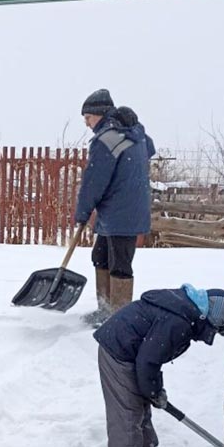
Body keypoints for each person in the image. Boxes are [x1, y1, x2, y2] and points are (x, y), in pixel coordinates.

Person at [93, 284, 224, 447]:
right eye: (216, 329)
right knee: (128, 412)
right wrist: (153, 391)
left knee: (141, 404)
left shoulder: (185, 310)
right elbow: (148, 360)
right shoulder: (179, 322)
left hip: (131, 352)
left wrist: (154, 391)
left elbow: (152, 359)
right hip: (117, 351)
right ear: (210, 320)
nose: (212, 334)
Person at [76, 89, 156, 327]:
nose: (88, 125)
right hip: (122, 208)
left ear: (100, 115)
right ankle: (106, 310)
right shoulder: (132, 132)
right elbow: (149, 148)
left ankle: (119, 318)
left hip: (122, 212)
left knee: (120, 263)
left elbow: (94, 182)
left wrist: (82, 212)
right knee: (100, 256)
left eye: (88, 119)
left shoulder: (107, 139)